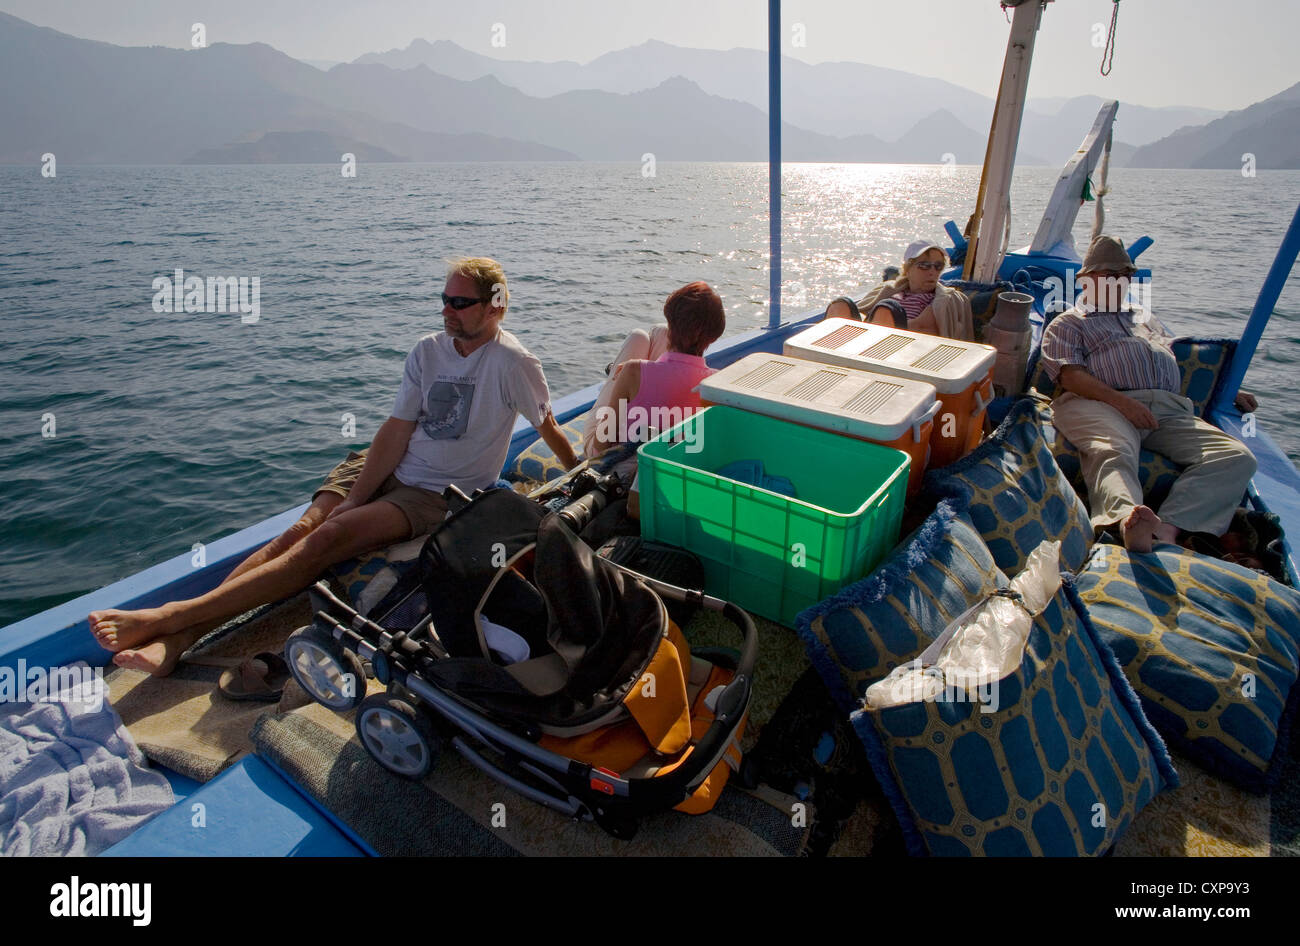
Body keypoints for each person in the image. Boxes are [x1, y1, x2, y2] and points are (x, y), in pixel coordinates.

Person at [89, 257, 579, 675]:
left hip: (433, 493)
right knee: (299, 530)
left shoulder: (514, 363)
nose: (446, 310)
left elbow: (547, 425)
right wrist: (354, 498)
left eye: (459, 303)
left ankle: (167, 619)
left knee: (322, 542)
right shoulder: (427, 350)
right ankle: (176, 638)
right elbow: (395, 429)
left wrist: (578, 471)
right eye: (444, 299)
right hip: (384, 463)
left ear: (495, 305)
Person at [1038, 235, 1257, 553]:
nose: (1119, 281)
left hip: (1168, 411)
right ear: (1086, 281)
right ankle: (1125, 521)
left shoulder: (1144, 319)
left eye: (1125, 275)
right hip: (1099, 403)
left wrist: (1228, 390)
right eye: (1109, 274)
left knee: (1236, 457)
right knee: (1114, 447)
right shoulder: (1070, 322)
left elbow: (1174, 356)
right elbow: (1071, 375)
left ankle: (1166, 529)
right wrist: (1123, 402)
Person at [825, 241, 975, 341]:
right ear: (908, 269)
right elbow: (864, 311)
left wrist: (869, 327)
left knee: (886, 311)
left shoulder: (938, 300)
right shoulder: (893, 291)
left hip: (901, 348)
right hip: (869, 337)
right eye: (924, 265)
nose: (932, 272)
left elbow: (920, 327)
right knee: (841, 305)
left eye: (938, 266)